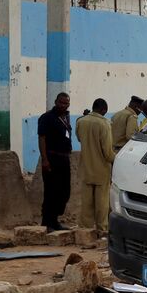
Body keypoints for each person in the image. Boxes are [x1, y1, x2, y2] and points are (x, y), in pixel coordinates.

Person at [76, 98, 115, 234]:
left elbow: (79, 138)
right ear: (103, 109)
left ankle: (85, 230)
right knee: (102, 202)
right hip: (101, 169)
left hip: (86, 167)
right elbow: (108, 151)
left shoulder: (81, 121)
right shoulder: (105, 124)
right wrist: (116, 160)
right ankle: (102, 229)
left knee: (86, 202)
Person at [37, 92, 72, 231]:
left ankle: (55, 220)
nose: (64, 105)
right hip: (52, 159)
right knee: (51, 191)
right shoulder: (47, 118)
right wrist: (45, 160)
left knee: (64, 191)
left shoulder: (65, 117)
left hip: (64, 158)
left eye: (66, 103)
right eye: (61, 103)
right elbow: (42, 138)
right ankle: (47, 222)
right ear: (56, 102)